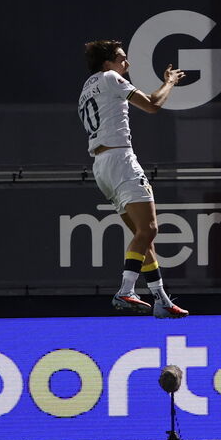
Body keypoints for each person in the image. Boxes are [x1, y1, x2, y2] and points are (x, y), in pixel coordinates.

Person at [78, 40, 189, 319]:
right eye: (121, 58)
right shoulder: (110, 78)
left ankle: (161, 300)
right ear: (108, 62)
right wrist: (170, 82)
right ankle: (126, 290)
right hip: (120, 160)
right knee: (149, 229)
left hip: (101, 166)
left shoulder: (85, 89)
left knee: (143, 237)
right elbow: (152, 105)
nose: (126, 64)